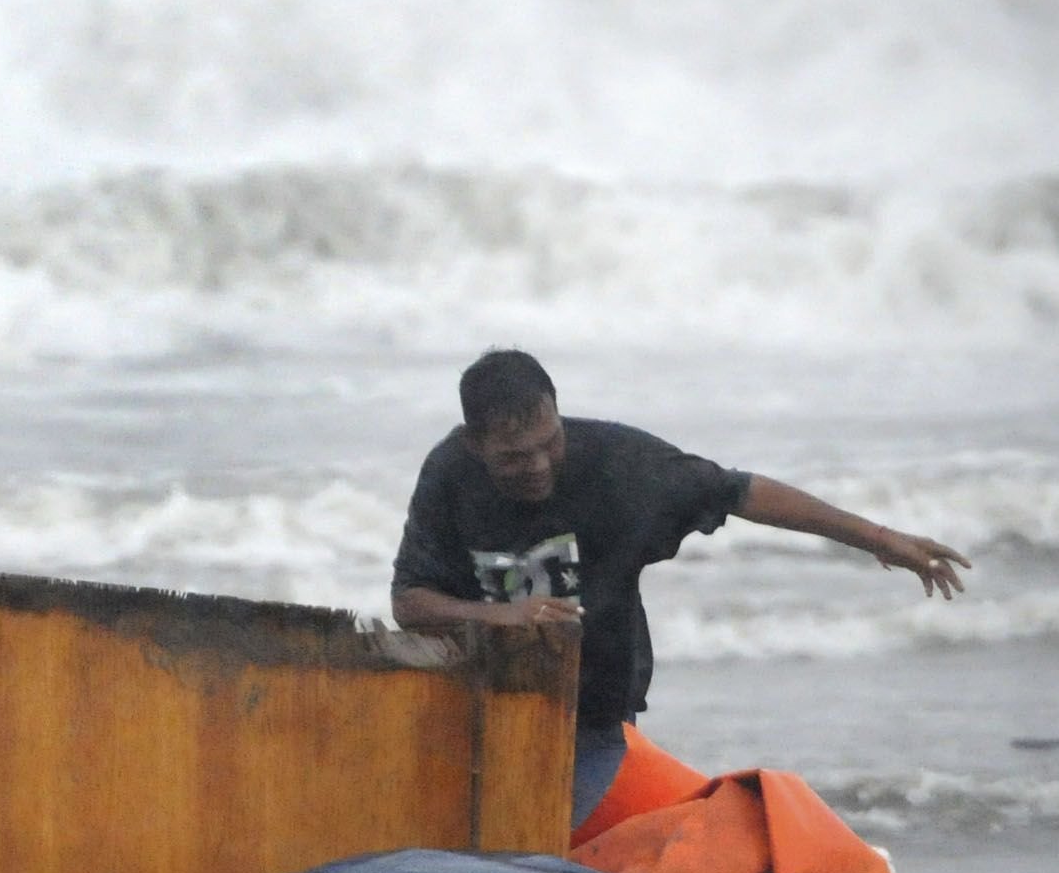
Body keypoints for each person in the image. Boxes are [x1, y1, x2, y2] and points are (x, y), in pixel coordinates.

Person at [389, 349, 971, 827]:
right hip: (480, 716)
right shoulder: (450, 474)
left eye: (550, 443)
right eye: (515, 457)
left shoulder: (619, 465)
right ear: (475, 444)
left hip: (595, 716)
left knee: (582, 857)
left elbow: (741, 492)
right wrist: (503, 618)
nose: (540, 465)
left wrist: (876, 537)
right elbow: (410, 603)